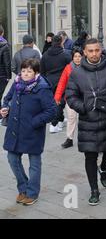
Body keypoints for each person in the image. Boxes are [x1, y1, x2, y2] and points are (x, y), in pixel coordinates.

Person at [65, 38, 106, 206]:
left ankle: (104, 169)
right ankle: (94, 190)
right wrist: (82, 107)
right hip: (88, 122)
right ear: (84, 52)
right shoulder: (77, 72)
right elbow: (70, 95)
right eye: (90, 51)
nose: (93, 54)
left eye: (96, 50)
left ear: (101, 50)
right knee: (90, 156)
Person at [1, 59, 57, 205]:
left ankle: (32, 193)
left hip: (33, 131)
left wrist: (34, 122)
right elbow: (7, 98)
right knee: (12, 159)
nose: (25, 74)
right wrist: (4, 107)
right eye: (24, 70)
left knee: (34, 163)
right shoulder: (17, 83)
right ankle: (23, 188)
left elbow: (51, 111)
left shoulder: (42, 88)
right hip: (15, 129)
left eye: (29, 71)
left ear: (36, 73)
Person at [40, 35, 71, 133]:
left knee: (54, 102)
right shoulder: (65, 54)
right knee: (59, 102)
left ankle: (60, 120)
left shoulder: (45, 55)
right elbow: (70, 68)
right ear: (61, 42)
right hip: (62, 81)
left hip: (49, 81)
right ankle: (54, 123)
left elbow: (42, 71)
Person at [54, 47, 84, 149]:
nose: (77, 58)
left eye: (79, 56)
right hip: (71, 97)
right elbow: (62, 83)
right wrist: (57, 97)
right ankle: (69, 139)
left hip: (85, 98)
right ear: (72, 58)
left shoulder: (87, 67)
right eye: (75, 56)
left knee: (85, 119)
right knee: (71, 118)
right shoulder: (68, 68)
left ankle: (84, 138)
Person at [0, 26, 11, 100]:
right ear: (2, 33)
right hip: (2, 75)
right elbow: (7, 63)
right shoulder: (5, 46)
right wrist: (8, 76)